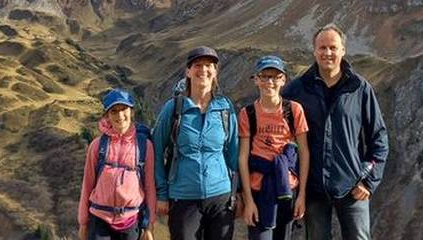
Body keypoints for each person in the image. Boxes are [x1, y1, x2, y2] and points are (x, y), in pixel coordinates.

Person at [282, 24, 389, 240]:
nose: (327, 53)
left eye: (333, 47)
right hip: (313, 188)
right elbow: (280, 135)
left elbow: (379, 138)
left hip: (352, 186)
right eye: (322, 48)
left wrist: (369, 181)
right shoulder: (298, 89)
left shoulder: (359, 88)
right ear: (314, 51)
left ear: (343, 51)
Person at [153, 46, 239, 240]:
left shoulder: (225, 108)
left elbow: (234, 153)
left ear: (215, 71)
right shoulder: (174, 108)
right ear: (188, 71)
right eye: (197, 65)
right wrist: (162, 193)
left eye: (209, 65)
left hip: (221, 196)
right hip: (183, 196)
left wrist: (237, 193)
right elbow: (157, 150)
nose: (203, 70)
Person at [239, 55, 310, 240]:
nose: (269, 82)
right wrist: (248, 201)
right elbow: (243, 157)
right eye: (264, 76)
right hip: (258, 191)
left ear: (283, 80)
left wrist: (302, 195)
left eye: (275, 77)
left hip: (287, 191)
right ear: (256, 80)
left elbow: (304, 152)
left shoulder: (294, 110)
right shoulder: (247, 113)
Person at [78, 89, 156, 240]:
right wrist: (83, 222)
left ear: (132, 112)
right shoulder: (97, 146)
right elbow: (87, 185)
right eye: (114, 111)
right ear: (107, 115)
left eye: (124, 109)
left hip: (131, 219)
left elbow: (150, 187)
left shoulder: (144, 146)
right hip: (99, 218)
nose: (120, 116)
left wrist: (149, 224)